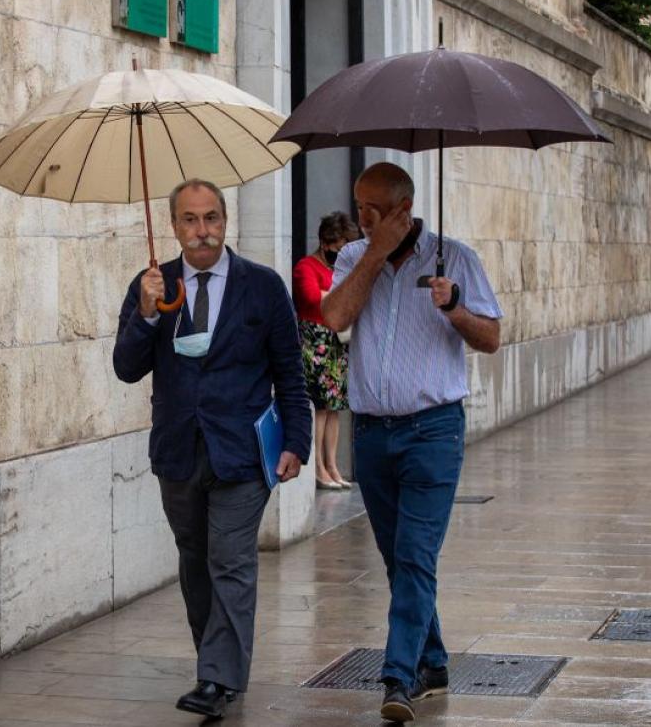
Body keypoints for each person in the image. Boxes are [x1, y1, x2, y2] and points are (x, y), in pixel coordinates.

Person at [113, 178, 312, 719]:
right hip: (178, 450)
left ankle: (217, 678)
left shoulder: (263, 286)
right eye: (190, 220)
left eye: (211, 219)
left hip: (242, 452)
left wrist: (297, 439)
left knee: (230, 559)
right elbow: (126, 368)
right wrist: (148, 313)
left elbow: (289, 371)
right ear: (174, 226)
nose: (202, 231)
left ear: (226, 222)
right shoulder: (154, 285)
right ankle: (217, 663)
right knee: (195, 560)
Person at [321, 163, 502, 723]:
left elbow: (491, 337)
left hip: (433, 431)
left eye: (373, 211)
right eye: (359, 209)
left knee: (415, 555)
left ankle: (397, 677)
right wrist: (375, 251)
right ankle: (435, 660)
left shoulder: (455, 258)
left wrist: (453, 308)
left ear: (404, 208)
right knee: (397, 557)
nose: (362, 219)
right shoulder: (354, 258)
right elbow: (334, 317)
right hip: (373, 434)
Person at [292, 212, 359, 490]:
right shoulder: (306, 266)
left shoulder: (339, 270)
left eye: (345, 246)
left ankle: (332, 465)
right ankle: (318, 467)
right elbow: (308, 296)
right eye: (337, 246)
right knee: (320, 407)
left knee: (335, 408)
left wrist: (332, 296)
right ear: (324, 242)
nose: (340, 252)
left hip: (336, 340)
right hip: (315, 340)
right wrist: (337, 297)